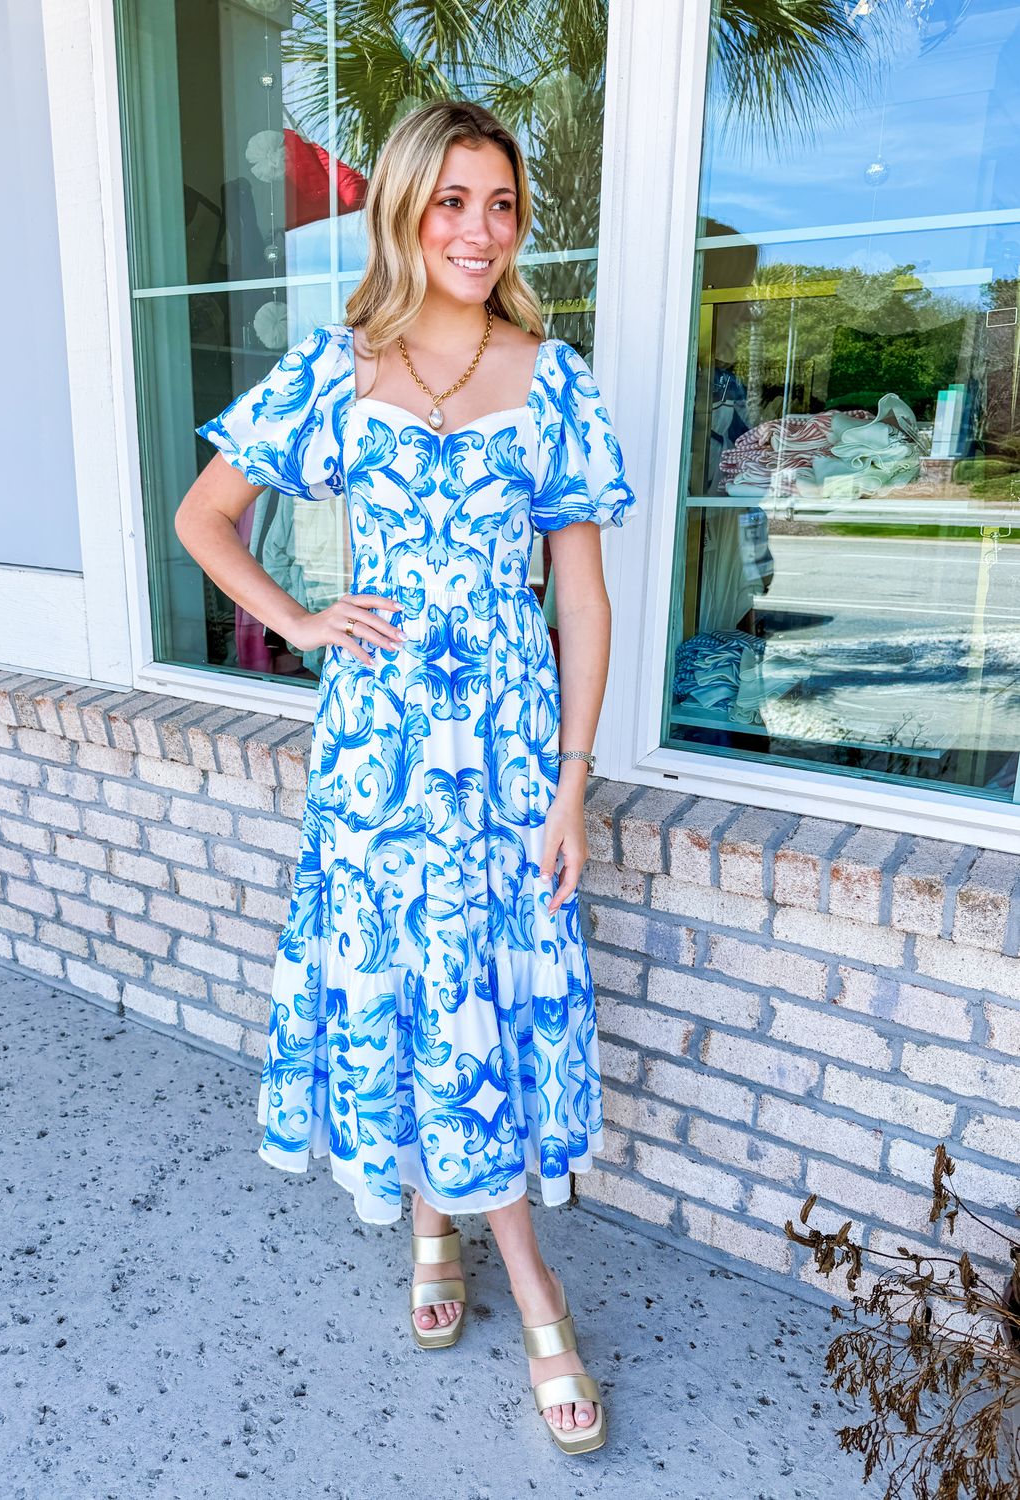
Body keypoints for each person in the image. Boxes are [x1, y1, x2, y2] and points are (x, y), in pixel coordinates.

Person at [175, 98, 638, 1455]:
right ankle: (489, 1261)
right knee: (414, 977)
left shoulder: (551, 378)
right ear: (404, 211)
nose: (480, 232)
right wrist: (303, 619)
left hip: (506, 750)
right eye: (452, 202)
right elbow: (206, 516)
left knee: (480, 985)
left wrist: (572, 782)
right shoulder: (340, 366)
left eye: (502, 205)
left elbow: (583, 601)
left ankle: (487, 1256)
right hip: (378, 752)